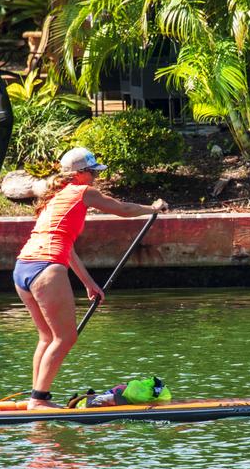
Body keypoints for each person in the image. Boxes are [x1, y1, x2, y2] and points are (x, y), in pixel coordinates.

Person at [13, 146, 168, 409]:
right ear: (80, 174)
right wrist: (152, 207)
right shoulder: (82, 192)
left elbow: (68, 249)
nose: (95, 177)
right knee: (65, 337)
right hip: (46, 268)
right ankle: (38, 401)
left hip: (22, 268)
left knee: (47, 338)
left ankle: (35, 397)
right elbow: (122, 209)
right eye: (92, 172)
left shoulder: (55, 198)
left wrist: (89, 283)